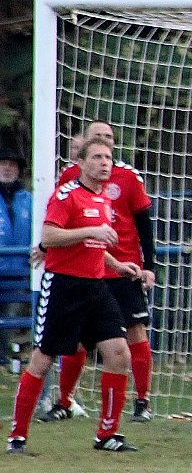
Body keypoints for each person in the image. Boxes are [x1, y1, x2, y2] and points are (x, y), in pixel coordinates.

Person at [6, 137, 141, 454]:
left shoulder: (104, 200)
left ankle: (107, 434)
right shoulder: (66, 196)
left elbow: (94, 246)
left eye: (108, 156)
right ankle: (17, 437)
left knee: (119, 352)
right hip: (64, 287)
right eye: (97, 156)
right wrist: (89, 232)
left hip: (96, 286)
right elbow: (49, 235)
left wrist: (117, 263)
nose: (105, 162)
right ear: (82, 163)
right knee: (43, 360)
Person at [36, 120, 156, 423]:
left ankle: (141, 403)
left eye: (109, 141)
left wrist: (148, 266)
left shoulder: (127, 177)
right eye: (98, 141)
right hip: (80, 273)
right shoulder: (70, 182)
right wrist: (45, 245)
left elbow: (144, 223)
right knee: (72, 342)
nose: (105, 150)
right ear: (84, 148)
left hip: (121, 269)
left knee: (131, 336)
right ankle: (64, 402)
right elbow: (60, 220)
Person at [0, 148, 33, 366]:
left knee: (10, 320)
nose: (7, 168)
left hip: (19, 271)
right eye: (3, 163)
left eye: (12, 164)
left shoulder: (28, 199)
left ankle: (5, 356)